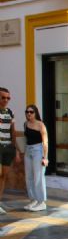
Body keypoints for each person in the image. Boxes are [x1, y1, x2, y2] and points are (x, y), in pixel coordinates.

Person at [23, 105, 49, 211]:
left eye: (31, 112)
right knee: (29, 177)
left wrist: (45, 157)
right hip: (28, 150)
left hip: (38, 150)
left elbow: (45, 142)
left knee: (38, 177)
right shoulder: (25, 124)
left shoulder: (40, 125)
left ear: (36, 113)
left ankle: (41, 202)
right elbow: (25, 138)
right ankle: (33, 200)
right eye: (27, 112)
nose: (29, 114)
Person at [0, 87, 21, 215]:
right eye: (3, 97)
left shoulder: (10, 112)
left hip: (8, 148)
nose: (6, 100)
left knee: (3, 176)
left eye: (8, 98)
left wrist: (17, 150)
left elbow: (13, 132)